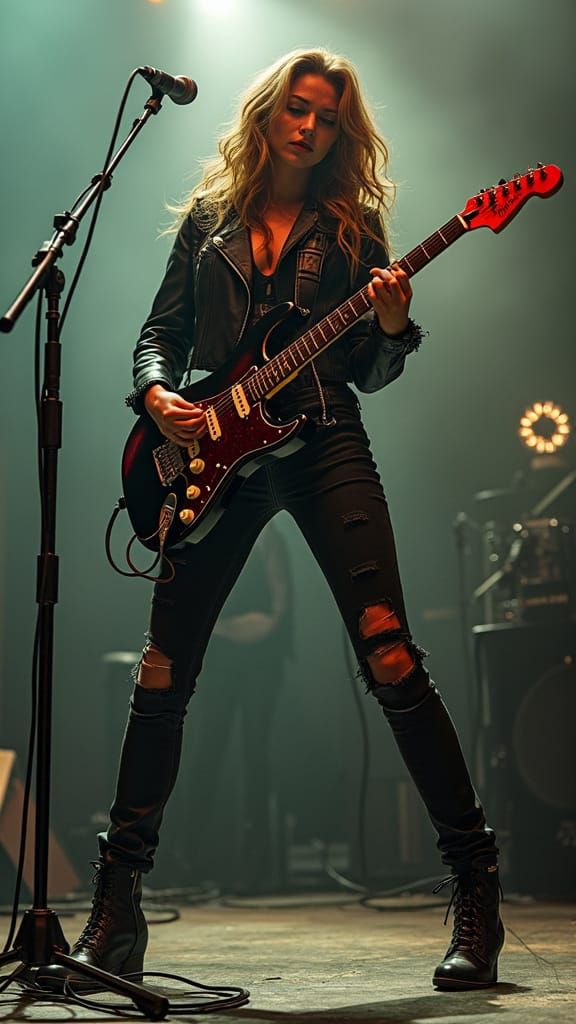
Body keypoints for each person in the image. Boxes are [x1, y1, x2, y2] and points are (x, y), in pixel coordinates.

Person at [57, 49, 504, 991]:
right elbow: (160, 334)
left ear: (343, 133)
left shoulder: (352, 230)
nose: (310, 127)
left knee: (389, 652)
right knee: (162, 667)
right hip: (216, 455)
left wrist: (391, 325)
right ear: (267, 113)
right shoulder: (209, 221)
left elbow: (372, 371)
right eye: (298, 109)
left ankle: (476, 885)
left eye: (328, 118)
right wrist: (156, 395)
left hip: (324, 436)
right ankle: (116, 907)